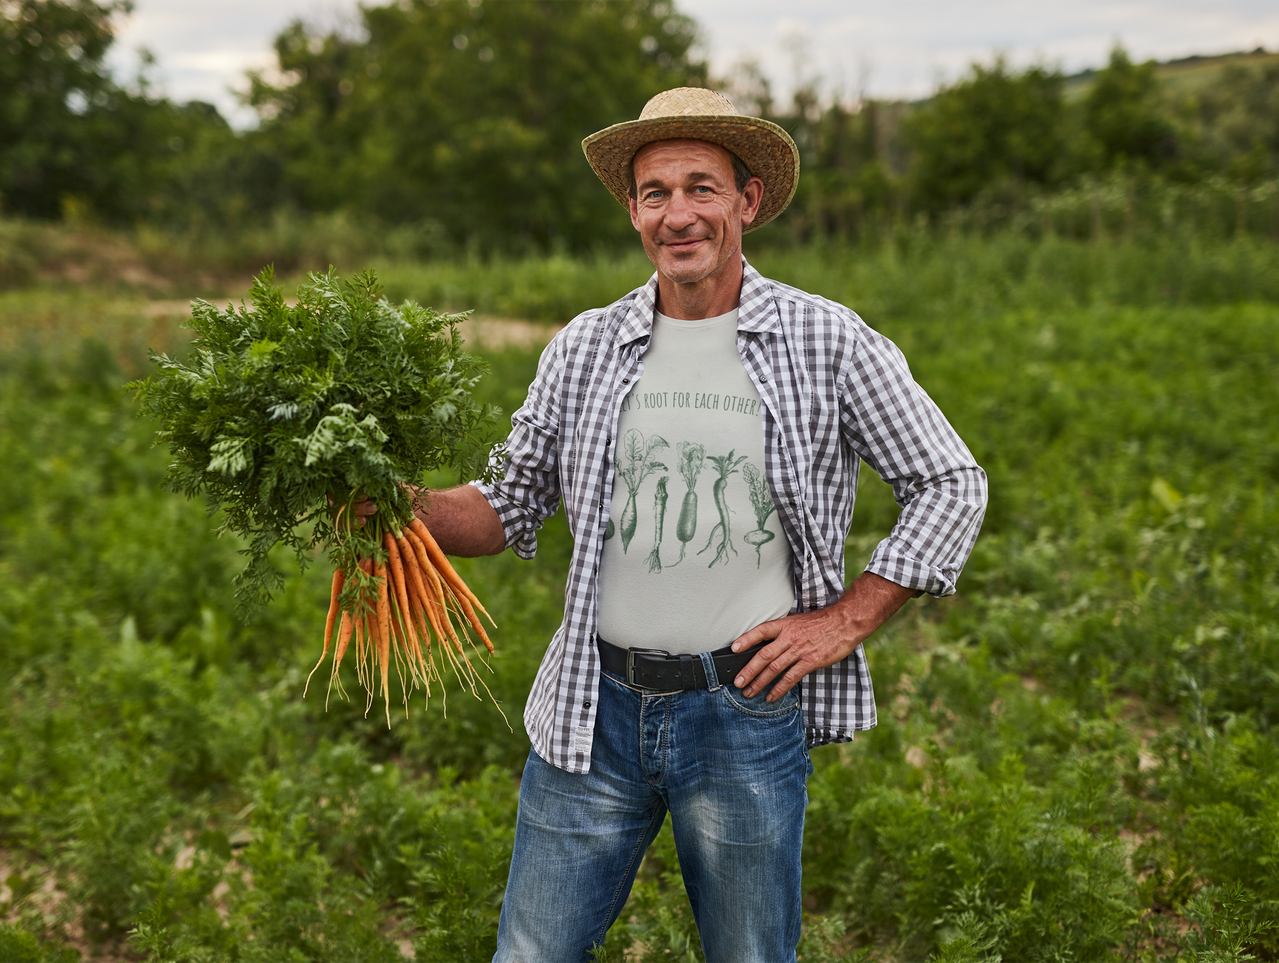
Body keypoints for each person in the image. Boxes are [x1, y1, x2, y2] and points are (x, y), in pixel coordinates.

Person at [364, 87, 988, 962]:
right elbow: (505, 503)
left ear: (748, 201)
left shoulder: (826, 340)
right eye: (655, 192)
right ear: (631, 209)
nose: (678, 213)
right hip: (593, 713)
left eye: (702, 186)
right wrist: (399, 503)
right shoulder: (584, 346)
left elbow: (949, 480)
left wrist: (847, 618)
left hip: (743, 712)